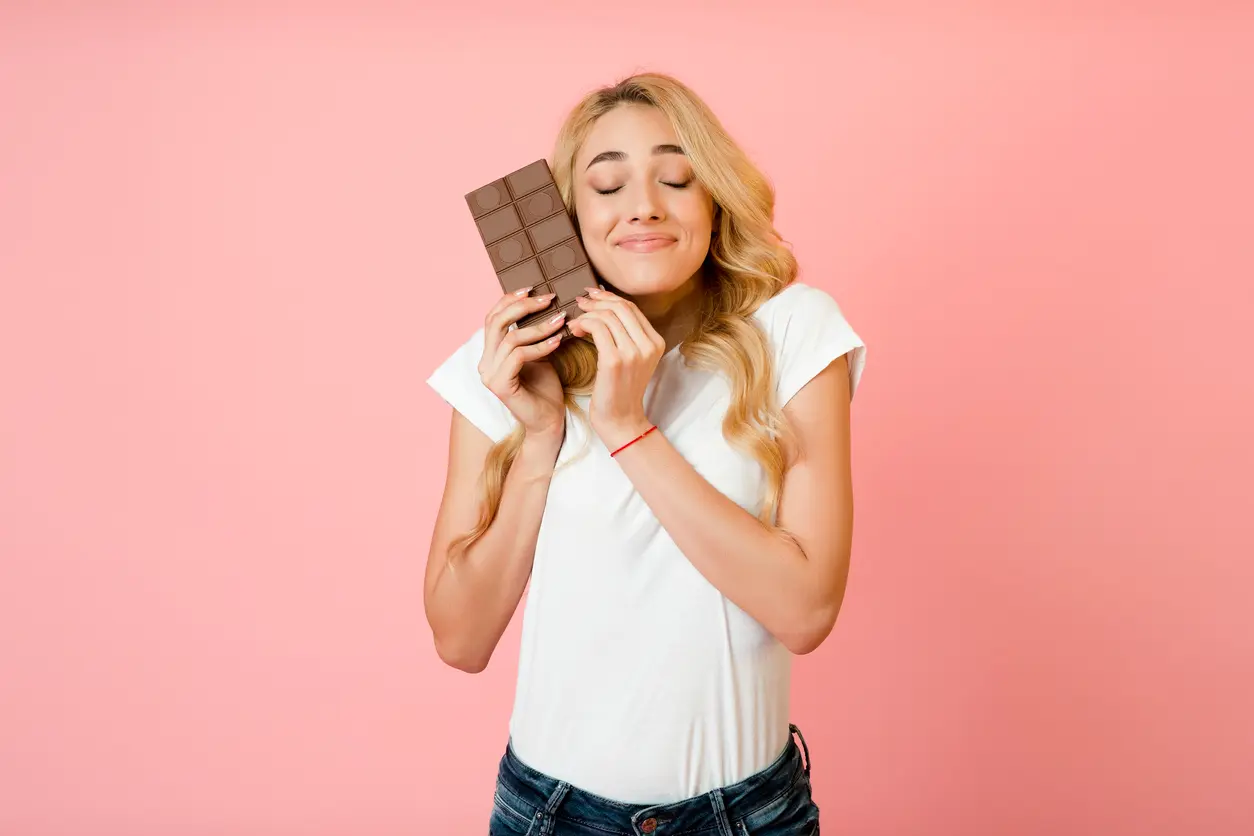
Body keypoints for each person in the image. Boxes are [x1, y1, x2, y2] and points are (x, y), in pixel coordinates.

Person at [424, 72, 867, 836]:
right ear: (567, 216)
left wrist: (629, 428)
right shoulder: (507, 359)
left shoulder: (795, 333)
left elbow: (806, 611)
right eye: (607, 185)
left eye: (676, 177)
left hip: (747, 817)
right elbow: (460, 640)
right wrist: (539, 442)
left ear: (715, 199)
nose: (644, 206)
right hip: (548, 815)